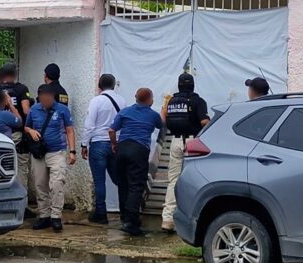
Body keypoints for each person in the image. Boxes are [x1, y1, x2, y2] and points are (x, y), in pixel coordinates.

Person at [109, 88, 163, 237]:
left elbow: (111, 130)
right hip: (138, 150)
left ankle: (124, 217)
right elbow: (162, 125)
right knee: (136, 186)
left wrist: (114, 144)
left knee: (123, 183)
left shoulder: (125, 112)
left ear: (136, 98)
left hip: (122, 148)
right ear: (150, 99)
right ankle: (131, 222)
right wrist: (164, 112)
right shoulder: (152, 115)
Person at [160, 73, 210, 233]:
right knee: (195, 179)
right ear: (193, 85)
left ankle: (167, 219)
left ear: (179, 85)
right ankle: (192, 218)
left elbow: (163, 118)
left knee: (173, 180)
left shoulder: (171, 101)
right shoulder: (198, 101)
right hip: (192, 143)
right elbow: (204, 122)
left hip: (175, 142)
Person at [25, 84, 77, 232]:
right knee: (40, 185)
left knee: (56, 184)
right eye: (42, 98)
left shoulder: (62, 110)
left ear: (52, 97)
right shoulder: (34, 109)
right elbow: (26, 126)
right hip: (39, 153)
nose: (45, 101)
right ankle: (44, 216)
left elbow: (69, 130)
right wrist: (31, 131)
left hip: (57, 152)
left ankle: (56, 216)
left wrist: (72, 151)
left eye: (47, 98)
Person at [81, 74, 126, 224]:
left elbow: (89, 125)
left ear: (99, 85)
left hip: (98, 144)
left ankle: (101, 213)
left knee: (99, 181)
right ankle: (125, 211)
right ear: (114, 85)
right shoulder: (122, 101)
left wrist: (84, 145)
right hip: (116, 144)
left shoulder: (96, 101)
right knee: (119, 179)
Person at [0, 63, 33, 192]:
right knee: (21, 167)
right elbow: (26, 110)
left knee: (0, 165)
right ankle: (22, 201)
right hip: (18, 134)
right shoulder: (22, 89)